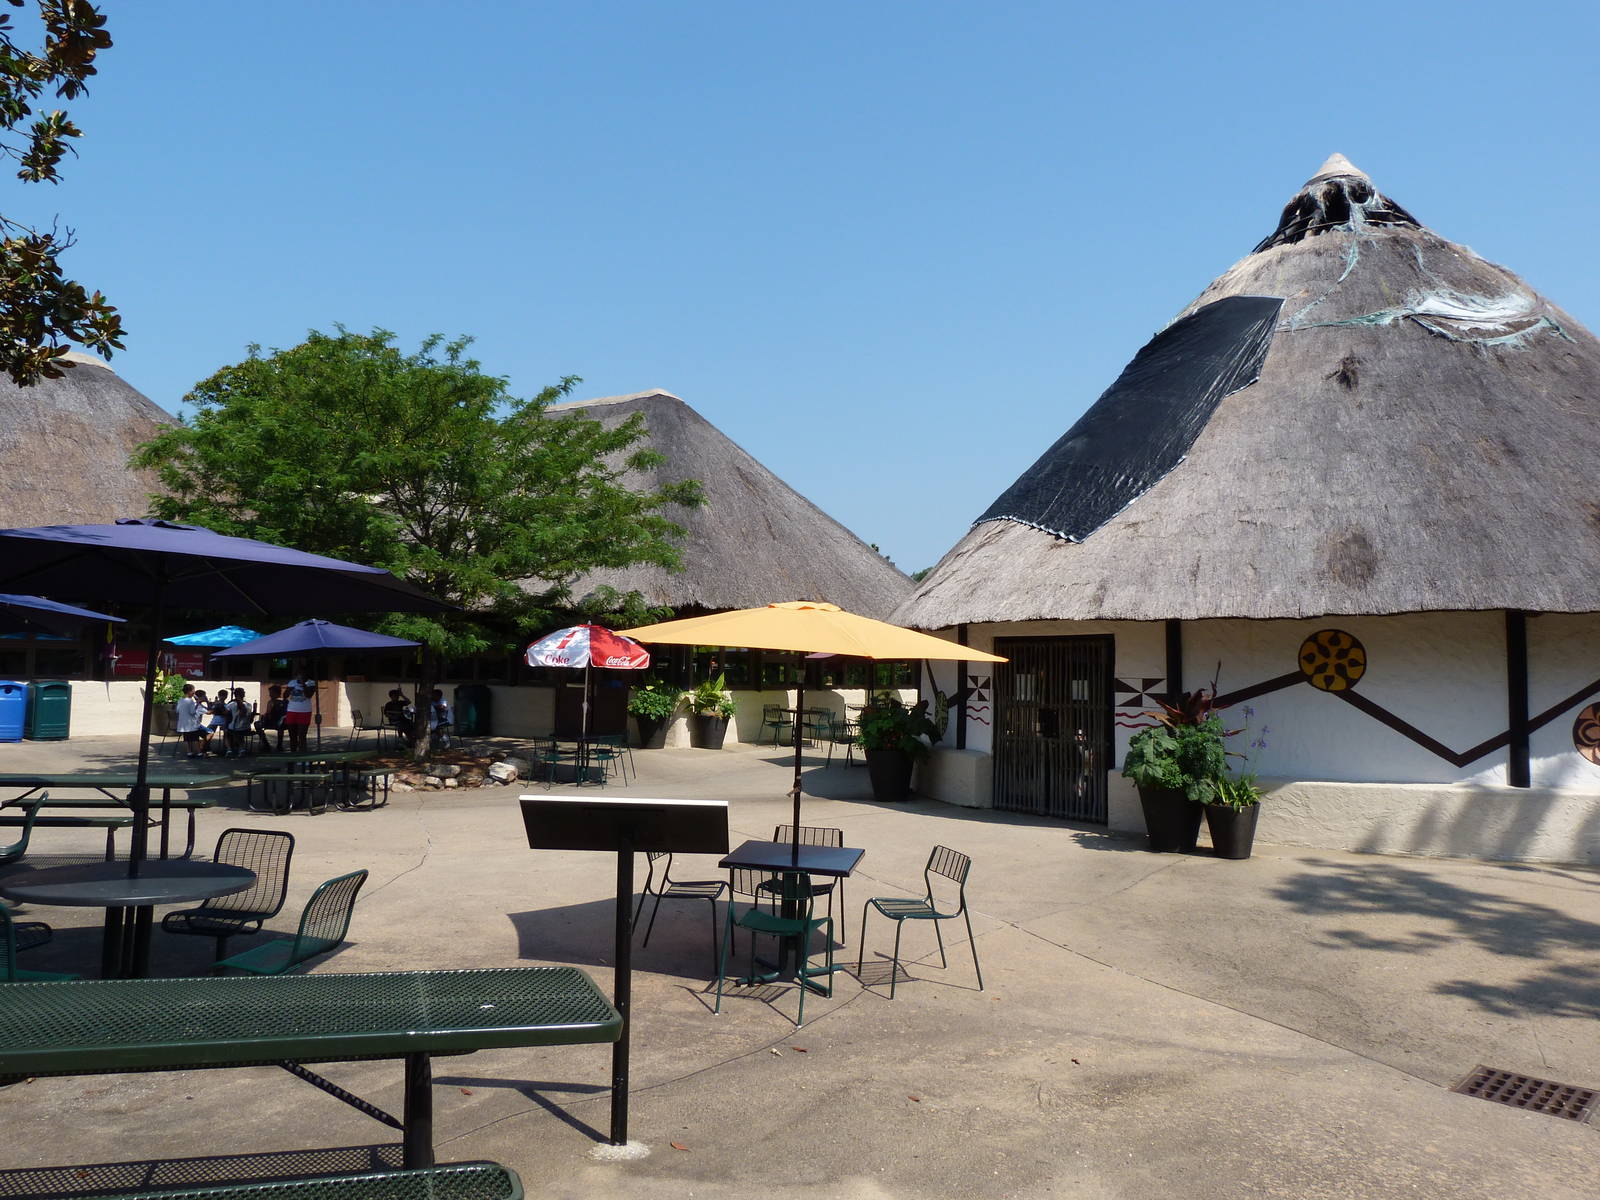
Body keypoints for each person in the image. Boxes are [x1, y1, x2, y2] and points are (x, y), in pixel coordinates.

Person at [283, 671, 316, 753]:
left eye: (302, 674)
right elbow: (285, 696)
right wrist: (289, 690)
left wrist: (303, 684)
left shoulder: (311, 683)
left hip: (304, 711)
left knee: (302, 735)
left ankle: (302, 756)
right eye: (299, 674)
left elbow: (308, 695)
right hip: (291, 710)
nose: (300, 676)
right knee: (292, 735)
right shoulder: (292, 682)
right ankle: (293, 755)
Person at [256, 683, 287, 752]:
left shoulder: (283, 702)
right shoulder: (270, 702)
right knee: (257, 724)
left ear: (276, 693)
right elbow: (268, 713)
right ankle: (265, 744)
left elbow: (284, 713)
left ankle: (279, 745)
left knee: (281, 725)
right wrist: (264, 716)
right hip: (270, 721)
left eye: (271, 693)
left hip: (279, 721)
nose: (270, 695)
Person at [176, 683, 204, 759]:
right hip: (191, 724)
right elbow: (192, 712)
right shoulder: (190, 701)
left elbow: (177, 710)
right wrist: (197, 703)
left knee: (188, 739)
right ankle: (199, 752)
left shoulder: (180, 700)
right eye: (193, 692)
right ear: (189, 692)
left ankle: (189, 752)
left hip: (183, 724)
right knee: (195, 738)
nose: (194, 693)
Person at [226, 687, 255, 758]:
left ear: (235, 695)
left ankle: (229, 750)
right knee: (239, 732)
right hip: (247, 728)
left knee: (226, 732)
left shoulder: (231, 704)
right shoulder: (249, 705)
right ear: (243, 695)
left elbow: (225, 713)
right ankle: (241, 749)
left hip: (235, 728)